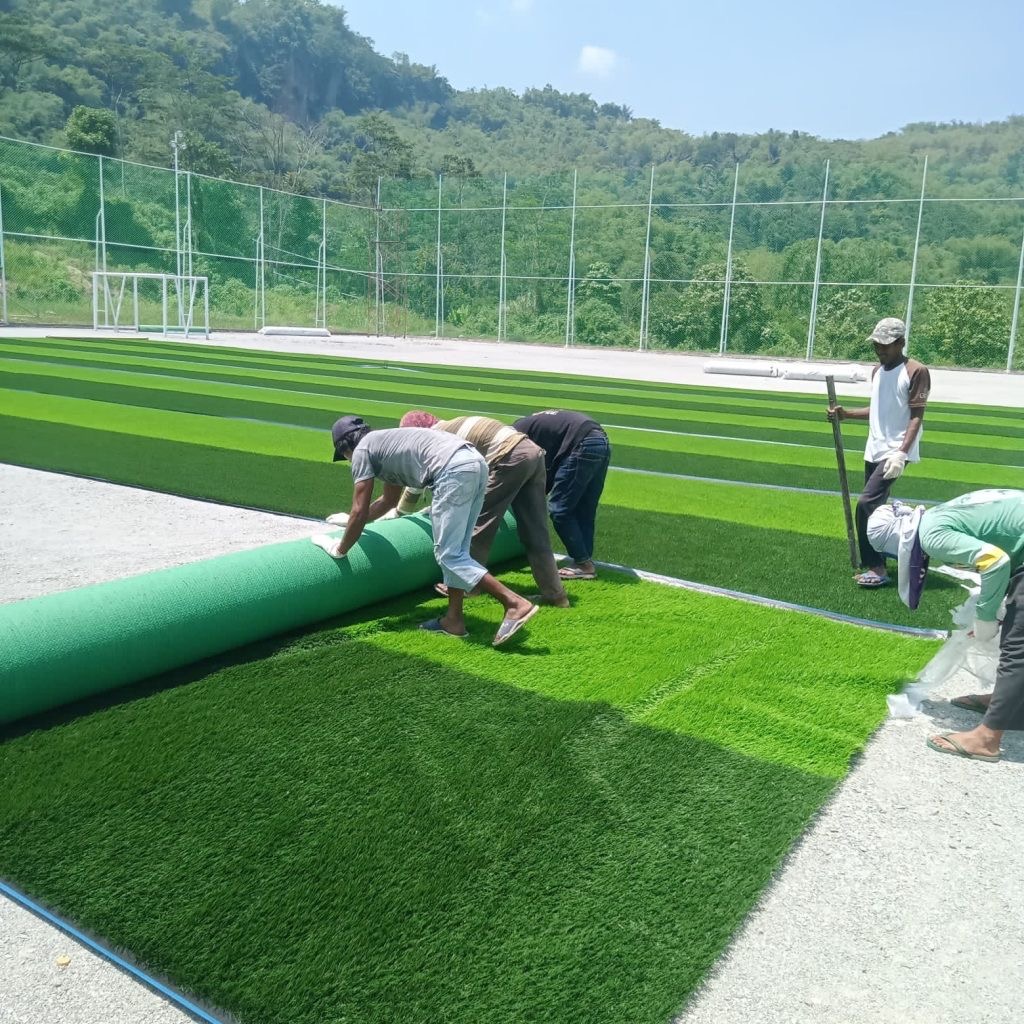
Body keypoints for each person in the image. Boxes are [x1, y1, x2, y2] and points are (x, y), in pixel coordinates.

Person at [317, 414, 538, 646]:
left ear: (346, 447)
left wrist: (341, 548)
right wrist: (352, 522)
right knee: (459, 551)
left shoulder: (362, 451)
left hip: (453, 470)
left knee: (449, 555)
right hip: (475, 463)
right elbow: (388, 501)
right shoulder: (385, 444)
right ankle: (454, 621)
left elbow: (359, 509)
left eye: (344, 456)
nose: (349, 461)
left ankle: (514, 604)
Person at [867, 489, 1024, 763]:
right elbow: (1006, 546)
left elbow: (995, 561)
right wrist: (995, 608)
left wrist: (985, 617)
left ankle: (986, 739)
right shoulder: (938, 515)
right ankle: (1008, 704)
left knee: (1017, 645)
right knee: (1015, 623)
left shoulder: (932, 536)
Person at [393, 411, 569, 608]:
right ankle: (556, 596)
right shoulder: (453, 424)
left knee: (476, 525)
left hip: (510, 456)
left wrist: (399, 513)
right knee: (535, 531)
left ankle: (467, 586)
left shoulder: (434, 438)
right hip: (533, 452)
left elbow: (419, 484)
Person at [826, 317, 930, 588]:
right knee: (876, 508)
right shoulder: (877, 371)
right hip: (874, 449)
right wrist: (846, 414)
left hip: (895, 451)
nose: (879, 350)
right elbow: (879, 409)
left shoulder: (916, 371)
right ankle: (889, 548)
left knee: (865, 504)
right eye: (876, 345)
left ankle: (877, 567)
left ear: (901, 343)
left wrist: (901, 453)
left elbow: (916, 416)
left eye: (885, 345)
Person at [512, 410, 611, 581]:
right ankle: (584, 560)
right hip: (600, 440)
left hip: (581, 443)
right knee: (585, 508)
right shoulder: (532, 427)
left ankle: (583, 564)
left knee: (560, 510)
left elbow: (533, 470)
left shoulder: (515, 437)